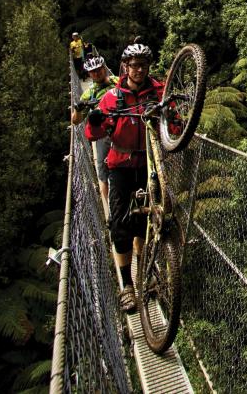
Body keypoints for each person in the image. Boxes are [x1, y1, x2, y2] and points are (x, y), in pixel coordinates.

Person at [85, 42, 163, 313]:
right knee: (119, 225)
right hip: (120, 165)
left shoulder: (158, 91)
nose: (139, 69)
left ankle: (144, 275)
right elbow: (92, 135)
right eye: (134, 65)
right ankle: (127, 285)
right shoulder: (111, 98)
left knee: (144, 223)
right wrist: (95, 122)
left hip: (149, 165)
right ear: (125, 67)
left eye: (143, 65)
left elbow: (173, 121)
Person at [72, 55, 119, 204]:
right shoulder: (88, 94)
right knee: (102, 172)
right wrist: (79, 109)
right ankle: (109, 208)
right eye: (93, 71)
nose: (97, 73)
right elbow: (75, 121)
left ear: (104, 68)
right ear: (89, 74)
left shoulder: (117, 82)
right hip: (103, 134)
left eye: (99, 69)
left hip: (122, 126)